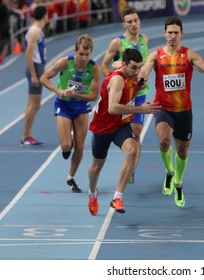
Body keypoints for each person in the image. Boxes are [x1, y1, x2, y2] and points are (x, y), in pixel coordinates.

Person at [139, 17, 204, 208]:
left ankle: (178, 182)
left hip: (184, 110)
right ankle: (169, 172)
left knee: (182, 150)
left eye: (176, 33)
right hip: (163, 107)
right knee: (163, 141)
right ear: (164, 33)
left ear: (181, 34)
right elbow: (145, 70)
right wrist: (142, 78)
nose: (172, 36)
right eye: (169, 32)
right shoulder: (156, 55)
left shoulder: (189, 55)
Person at [87, 48, 161, 216]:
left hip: (121, 125)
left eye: (139, 67)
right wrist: (140, 109)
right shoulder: (118, 80)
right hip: (103, 127)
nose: (137, 71)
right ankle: (92, 193)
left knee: (133, 150)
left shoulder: (131, 74)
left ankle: (117, 197)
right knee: (96, 167)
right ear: (125, 65)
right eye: (134, 68)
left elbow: (136, 72)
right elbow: (113, 108)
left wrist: (140, 80)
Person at [40, 34, 101, 193]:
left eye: (87, 55)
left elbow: (94, 96)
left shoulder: (94, 68)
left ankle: (70, 177)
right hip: (64, 105)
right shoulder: (64, 63)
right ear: (75, 51)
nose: (83, 58)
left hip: (81, 107)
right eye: (81, 54)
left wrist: (75, 95)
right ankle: (69, 141)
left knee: (80, 147)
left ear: (91, 53)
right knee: (66, 146)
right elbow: (43, 78)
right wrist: (58, 91)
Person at [101, 6, 149, 184]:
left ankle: (132, 166)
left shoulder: (144, 39)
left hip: (140, 92)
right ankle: (129, 159)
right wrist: (113, 81)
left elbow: (144, 66)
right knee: (116, 130)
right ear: (124, 24)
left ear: (139, 21)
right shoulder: (117, 43)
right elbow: (104, 64)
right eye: (129, 21)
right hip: (124, 95)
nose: (133, 24)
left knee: (137, 131)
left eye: (136, 20)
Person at [20, 5, 48, 147]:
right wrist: (33, 75)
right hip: (35, 70)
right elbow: (28, 54)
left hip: (38, 69)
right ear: (45, 15)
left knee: (33, 105)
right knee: (34, 105)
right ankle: (25, 136)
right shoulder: (34, 32)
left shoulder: (37, 31)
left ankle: (27, 135)